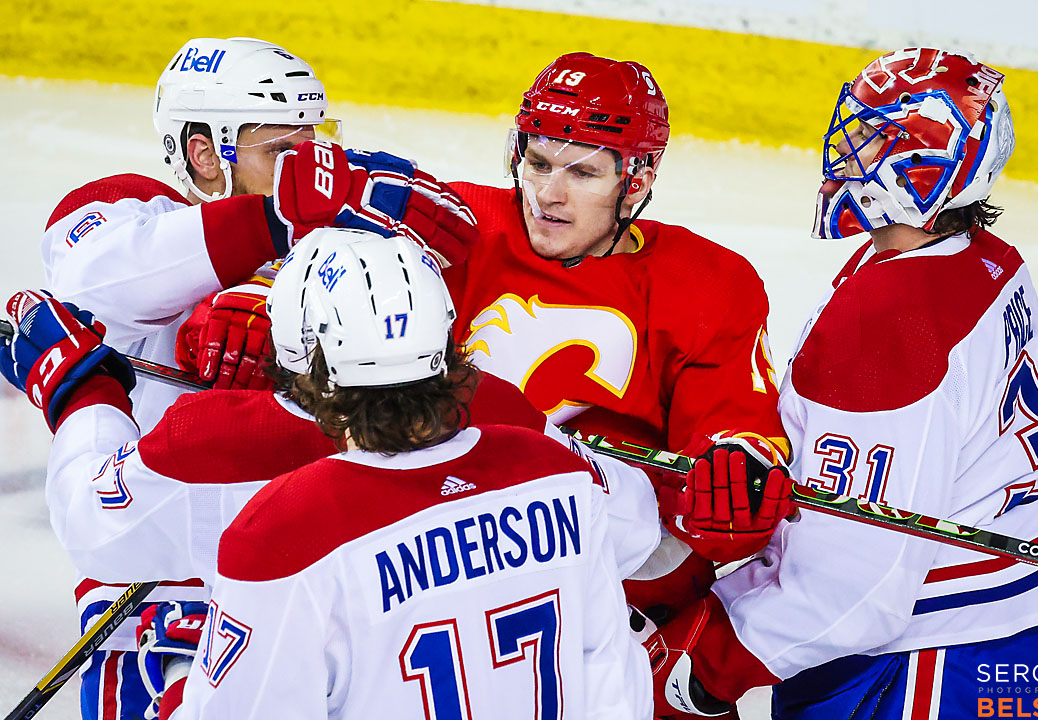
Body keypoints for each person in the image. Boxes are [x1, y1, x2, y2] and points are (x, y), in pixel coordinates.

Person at [1, 228, 662, 718]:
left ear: (297, 351)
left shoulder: (275, 521)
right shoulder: (547, 466)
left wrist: (81, 393)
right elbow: (632, 538)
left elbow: (95, 528)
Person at [37, 35, 475, 720]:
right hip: (160, 572)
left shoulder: (338, 237)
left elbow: (455, 233)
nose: (309, 166)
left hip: (318, 562)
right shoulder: (126, 213)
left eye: (314, 144)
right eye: (281, 151)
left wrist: (284, 276)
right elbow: (95, 280)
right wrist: (272, 229)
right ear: (205, 154)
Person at [647, 48, 1038, 719]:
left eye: (873, 136)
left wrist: (709, 664)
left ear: (926, 164)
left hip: (933, 661)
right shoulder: (988, 259)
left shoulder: (887, 324)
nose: (846, 150)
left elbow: (855, 588)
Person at [441, 52, 793, 653]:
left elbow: (736, 431)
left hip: (616, 583)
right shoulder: (457, 227)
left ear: (637, 182)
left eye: (582, 173)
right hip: (448, 553)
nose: (547, 195)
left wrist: (736, 474)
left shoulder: (706, 284)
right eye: (537, 162)